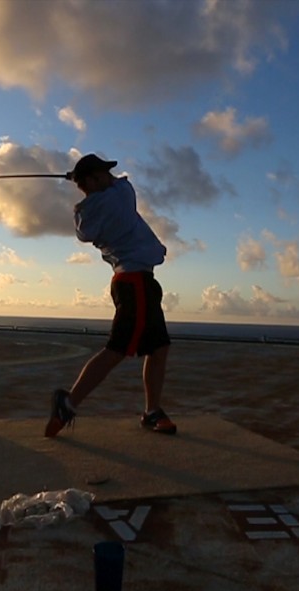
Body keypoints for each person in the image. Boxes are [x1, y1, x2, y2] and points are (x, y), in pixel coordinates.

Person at [45, 153, 176, 438]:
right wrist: (81, 178)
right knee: (117, 349)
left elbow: (85, 222)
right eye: (103, 173)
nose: (110, 176)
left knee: (159, 347)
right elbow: (123, 183)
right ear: (94, 180)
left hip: (132, 281)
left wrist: (83, 184)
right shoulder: (119, 196)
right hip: (136, 283)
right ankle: (67, 403)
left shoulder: (86, 212)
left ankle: (153, 411)